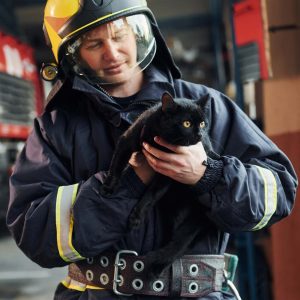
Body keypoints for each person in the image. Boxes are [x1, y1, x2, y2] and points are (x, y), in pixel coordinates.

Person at [6, 0, 297, 299]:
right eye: (94, 44)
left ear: (140, 33)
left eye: (120, 36)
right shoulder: (56, 129)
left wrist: (209, 175)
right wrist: (128, 183)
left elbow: (280, 190)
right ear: (72, 56)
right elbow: (33, 232)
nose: (112, 53)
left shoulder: (206, 105)